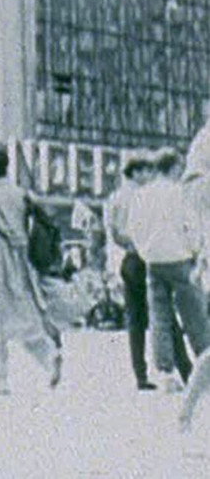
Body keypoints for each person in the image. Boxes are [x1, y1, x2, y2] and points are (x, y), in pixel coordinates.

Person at [0, 142, 62, 396]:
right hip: (24, 263)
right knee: (24, 313)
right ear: (7, 168)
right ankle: (48, 354)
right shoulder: (22, 195)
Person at [128, 147, 210, 393]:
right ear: (174, 167)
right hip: (179, 257)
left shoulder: (141, 195)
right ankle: (205, 361)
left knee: (159, 317)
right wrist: (194, 249)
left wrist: (146, 251)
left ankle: (165, 371)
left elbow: (134, 228)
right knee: (195, 314)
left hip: (154, 260)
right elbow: (191, 225)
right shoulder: (179, 193)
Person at [104, 151, 159, 390]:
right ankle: (172, 368)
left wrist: (129, 244)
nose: (150, 176)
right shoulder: (143, 196)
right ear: (136, 172)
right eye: (147, 171)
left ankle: (141, 373)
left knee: (135, 319)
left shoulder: (115, 197)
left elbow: (114, 232)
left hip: (128, 259)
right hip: (147, 257)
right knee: (160, 313)